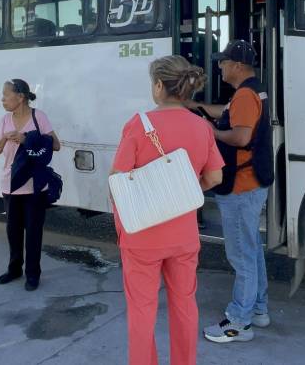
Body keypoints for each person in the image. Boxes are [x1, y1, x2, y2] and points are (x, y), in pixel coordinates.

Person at [111, 55, 224, 365]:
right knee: (185, 304)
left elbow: (117, 179)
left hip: (142, 237)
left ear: (159, 85)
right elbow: (215, 177)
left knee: (142, 312)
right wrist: (181, 190)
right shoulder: (201, 126)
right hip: (184, 236)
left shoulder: (139, 124)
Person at [185, 40, 274, 344]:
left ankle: (238, 323)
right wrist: (192, 107)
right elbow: (223, 111)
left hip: (240, 187)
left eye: (223, 62)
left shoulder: (246, 96)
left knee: (241, 256)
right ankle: (259, 310)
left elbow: (240, 137)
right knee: (252, 252)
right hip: (253, 184)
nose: (220, 67)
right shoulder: (251, 91)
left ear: (237, 65)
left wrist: (210, 131)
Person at [0, 79, 60, 291]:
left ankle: (33, 274)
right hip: (10, 184)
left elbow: (55, 145)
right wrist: (4, 138)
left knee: (33, 231)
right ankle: (14, 269)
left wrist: (26, 139)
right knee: (13, 230)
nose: (2, 99)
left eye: (5, 95)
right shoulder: (5, 120)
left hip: (33, 186)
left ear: (20, 97)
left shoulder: (39, 117)